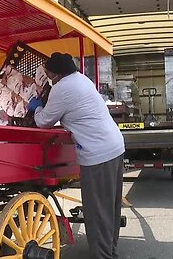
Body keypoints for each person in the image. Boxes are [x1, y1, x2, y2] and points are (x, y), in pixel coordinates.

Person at [28, 52, 125, 259]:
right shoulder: (81, 79)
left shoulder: (62, 88)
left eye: (48, 73)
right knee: (110, 208)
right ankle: (110, 252)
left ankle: (103, 257)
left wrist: (36, 108)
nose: (47, 77)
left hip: (98, 154)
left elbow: (43, 121)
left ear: (56, 74)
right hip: (115, 147)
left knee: (96, 212)